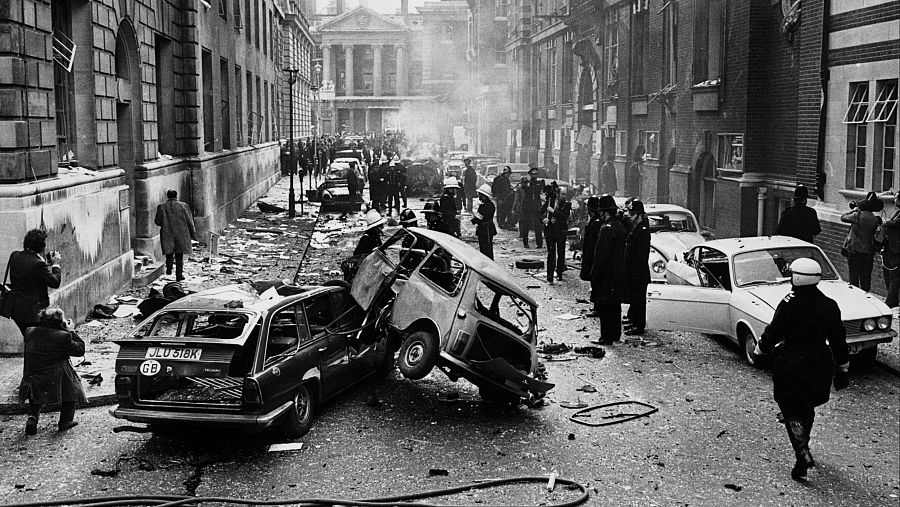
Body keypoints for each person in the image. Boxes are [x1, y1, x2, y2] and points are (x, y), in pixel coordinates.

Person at [752, 258, 849, 481]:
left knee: (789, 406)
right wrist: (842, 367)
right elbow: (838, 339)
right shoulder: (829, 305)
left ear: (796, 277)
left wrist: (760, 350)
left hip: (792, 360)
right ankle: (803, 446)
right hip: (819, 363)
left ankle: (801, 451)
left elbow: (773, 332)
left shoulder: (789, 302)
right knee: (807, 406)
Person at [20, 307, 86, 435]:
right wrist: (71, 330)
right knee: (73, 387)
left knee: (36, 393)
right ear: (59, 322)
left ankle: (33, 417)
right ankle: (65, 421)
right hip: (53, 376)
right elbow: (79, 350)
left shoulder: (29, 331)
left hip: (32, 374)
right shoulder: (63, 336)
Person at [1, 229, 62, 335]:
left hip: (16, 309)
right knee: (36, 341)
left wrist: (45, 264)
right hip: (33, 312)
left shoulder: (14, 255)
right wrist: (56, 265)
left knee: (29, 338)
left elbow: (29, 271)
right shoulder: (38, 264)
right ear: (42, 247)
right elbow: (55, 283)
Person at [588, 194, 626, 344]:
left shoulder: (606, 229)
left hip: (606, 274)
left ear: (604, 212)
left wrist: (594, 273)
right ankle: (615, 335)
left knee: (604, 306)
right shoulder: (620, 226)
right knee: (615, 306)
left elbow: (601, 256)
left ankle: (606, 336)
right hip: (617, 272)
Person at [840, 192, 883, 292]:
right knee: (866, 278)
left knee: (854, 277)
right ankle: (866, 295)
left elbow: (843, 217)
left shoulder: (857, 216)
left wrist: (853, 211)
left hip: (855, 251)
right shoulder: (875, 219)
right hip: (868, 253)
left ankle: (855, 296)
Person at [154, 189, 196, 282]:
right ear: (176, 195)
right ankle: (179, 275)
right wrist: (193, 234)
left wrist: (165, 222)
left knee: (169, 252)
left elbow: (157, 221)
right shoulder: (183, 206)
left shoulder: (161, 207)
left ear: (167, 196)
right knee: (179, 255)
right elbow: (190, 221)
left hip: (167, 232)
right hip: (181, 233)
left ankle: (169, 269)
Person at [622, 200, 651, 335]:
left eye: (633, 214)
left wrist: (635, 272)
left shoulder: (643, 230)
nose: (630, 217)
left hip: (639, 272)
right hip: (633, 271)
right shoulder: (636, 227)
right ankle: (633, 320)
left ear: (639, 215)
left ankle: (639, 326)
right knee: (634, 298)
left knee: (639, 300)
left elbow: (641, 256)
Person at [541, 182, 571, 283]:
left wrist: (553, 212)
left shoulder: (567, 204)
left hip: (561, 231)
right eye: (563, 194)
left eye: (565, 194)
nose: (564, 196)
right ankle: (549, 275)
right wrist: (544, 219)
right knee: (551, 253)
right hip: (550, 231)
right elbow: (539, 212)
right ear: (558, 194)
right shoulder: (550, 201)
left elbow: (564, 216)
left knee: (561, 252)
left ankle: (559, 273)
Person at [519, 168, 544, 249]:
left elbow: (541, 191)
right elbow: (523, 187)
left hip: (536, 206)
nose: (534, 176)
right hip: (527, 206)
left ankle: (539, 243)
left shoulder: (539, 183)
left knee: (538, 225)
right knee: (526, 224)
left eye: (535, 174)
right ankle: (525, 242)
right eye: (532, 174)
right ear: (530, 175)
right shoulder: (527, 183)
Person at [882, 191, 900, 308]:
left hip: (896, 251)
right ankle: (892, 299)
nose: (894, 201)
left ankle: (891, 301)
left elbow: (895, 223)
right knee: (889, 275)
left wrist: (886, 223)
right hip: (890, 249)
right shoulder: (897, 212)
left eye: (896, 199)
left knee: (894, 277)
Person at [472, 185, 498, 259]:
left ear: (484, 195)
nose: (479, 196)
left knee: (485, 248)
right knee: (488, 247)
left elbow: (480, 217)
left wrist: (474, 220)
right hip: (489, 228)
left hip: (485, 230)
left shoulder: (484, 206)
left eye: (480, 194)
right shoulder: (491, 205)